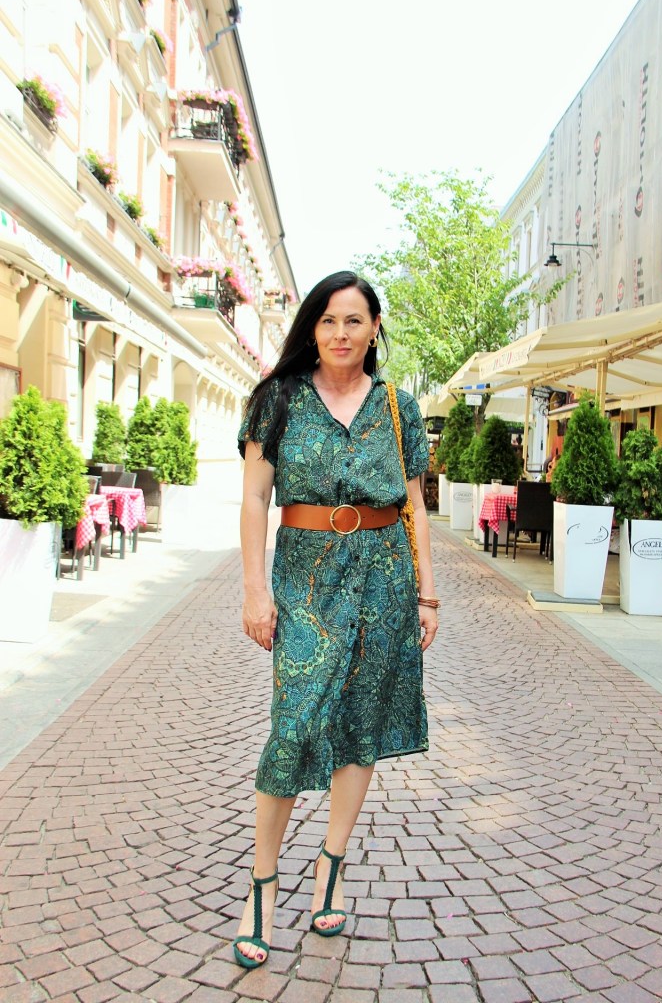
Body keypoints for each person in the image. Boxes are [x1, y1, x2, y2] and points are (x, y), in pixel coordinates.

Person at [234, 270, 438, 968]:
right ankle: (262, 884)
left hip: (385, 577)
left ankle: (331, 865)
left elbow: (414, 504)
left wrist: (428, 595)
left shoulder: (398, 406)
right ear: (311, 330)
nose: (340, 333)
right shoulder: (277, 400)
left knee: (361, 724)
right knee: (292, 725)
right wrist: (254, 590)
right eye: (327, 321)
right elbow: (254, 500)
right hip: (306, 578)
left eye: (353, 320)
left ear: (374, 327)